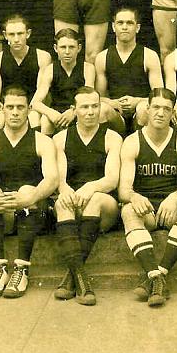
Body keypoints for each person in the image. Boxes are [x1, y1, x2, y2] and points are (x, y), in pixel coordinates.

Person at [0, 85, 59, 299]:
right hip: (3, 211)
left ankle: (21, 268)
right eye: (10, 107)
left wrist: (31, 196)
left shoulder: (42, 141)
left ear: (28, 110)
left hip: (35, 212)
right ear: (2, 110)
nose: (15, 112)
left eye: (20, 107)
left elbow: (52, 179)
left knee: (28, 189)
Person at [118, 88, 177, 307]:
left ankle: (156, 274)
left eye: (166, 109)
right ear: (147, 109)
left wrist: (175, 197)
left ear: (173, 113)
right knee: (127, 209)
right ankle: (157, 277)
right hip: (146, 210)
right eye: (156, 107)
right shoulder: (133, 141)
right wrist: (134, 196)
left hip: (171, 210)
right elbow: (123, 189)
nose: (160, 113)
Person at [51, 86, 122, 306]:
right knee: (62, 202)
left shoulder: (112, 137)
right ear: (74, 110)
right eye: (84, 107)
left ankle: (73, 275)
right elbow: (59, 180)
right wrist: (66, 191)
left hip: (103, 206)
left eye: (94, 106)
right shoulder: (61, 138)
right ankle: (79, 279)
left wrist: (90, 187)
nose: (90, 112)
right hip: (73, 202)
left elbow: (112, 179)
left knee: (96, 199)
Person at [95, 7, 164, 135]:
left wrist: (137, 101)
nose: (125, 27)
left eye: (130, 23)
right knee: (101, 109)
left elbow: (159, 95)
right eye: (120, 23)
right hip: (116, 116)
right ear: (113, 27)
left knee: (144, 109)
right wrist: (114, 103)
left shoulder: (149, 55)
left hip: (140, 115)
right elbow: (99, 97)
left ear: (137, 28)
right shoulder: (102, 57)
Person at [0, 14, 52, 131]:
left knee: (33, 117)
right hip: (7, 108)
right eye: (11, 34)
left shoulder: (43, 57)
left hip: (32, 108)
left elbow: (42, 96)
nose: (16, 39)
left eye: (20, 34)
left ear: (28, 34)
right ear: (5, 35)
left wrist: (25, 110)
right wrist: (10, 111)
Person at [30, 29, 96, 136]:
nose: (67, 51)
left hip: (80, 110)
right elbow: (35, 103)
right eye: (63, 47)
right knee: (46, 120)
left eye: (71, 47)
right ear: (56, 48)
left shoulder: (87, 68)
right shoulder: (50, 70)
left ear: (79, 48)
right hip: (57, 113)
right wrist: (51, 113)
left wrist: (73, 112)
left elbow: (88, 98)